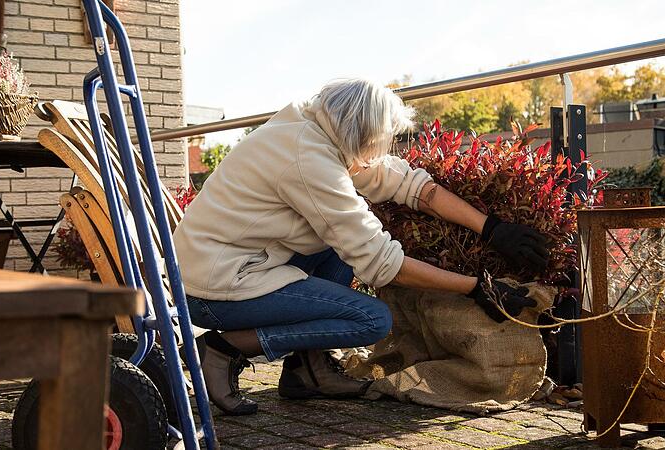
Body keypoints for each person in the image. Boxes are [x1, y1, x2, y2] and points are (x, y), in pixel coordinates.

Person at [173, 79, 549, 416]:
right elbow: (384, 263)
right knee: (371, 320)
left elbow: (413, 187)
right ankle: (224, 348)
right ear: (359, 131)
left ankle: (309, 370)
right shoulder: (310, 159)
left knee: (338, 246)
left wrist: (493, 228)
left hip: (232, 264)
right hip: (215, 288)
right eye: (376, 143)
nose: (377, 153)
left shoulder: (315, 130)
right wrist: (476, 288)